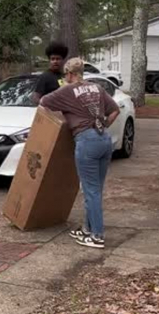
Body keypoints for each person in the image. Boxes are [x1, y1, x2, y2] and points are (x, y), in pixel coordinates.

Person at [40, 57, 120, 249]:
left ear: (70, 73)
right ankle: (87, 229)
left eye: (66, 74)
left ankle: (97, 236)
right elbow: (115, 110)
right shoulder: (97, 88)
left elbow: (43, 102)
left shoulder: (67, 90)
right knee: (95, 190)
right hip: (104, 139)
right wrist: (102, 125)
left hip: (86, 141)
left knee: (90, 191)